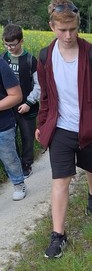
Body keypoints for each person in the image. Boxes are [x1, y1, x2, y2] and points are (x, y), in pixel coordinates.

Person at [35, 0, 92, 259]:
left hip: (89, 128)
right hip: (60, 129)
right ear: (52, 26)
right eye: (62, 29)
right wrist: (41, 123)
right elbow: (46, 96)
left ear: (78, 25)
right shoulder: (45, 57)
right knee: (60, 179)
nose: (68, 35)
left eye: (72, 29)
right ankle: (58, 235)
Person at [2, 24, 40, 178]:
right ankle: (14, 165)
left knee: (27, 137)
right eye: (6, 44)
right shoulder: (3, 59)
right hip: (7, 107)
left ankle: (26, 164)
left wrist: (29, 103)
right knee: (10, 137)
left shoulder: (30, 60)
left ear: (21, 41)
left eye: (13, 44)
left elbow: (39, 85)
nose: (10, 47)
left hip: (27, 107)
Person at [0, 57, 26, 200]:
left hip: (2, 125)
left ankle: (18, 183)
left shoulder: (1, 65)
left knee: (9, 157)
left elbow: (16, 96)